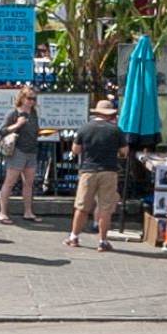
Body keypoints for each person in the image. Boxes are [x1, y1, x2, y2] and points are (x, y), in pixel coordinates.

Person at [67, 100, 127, 251]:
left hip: (88, 171)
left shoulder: (85, 128)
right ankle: (102, 241)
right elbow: (124, 152)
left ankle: (74, 237)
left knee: (82, 206)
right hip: (109, 171)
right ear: (110, 114)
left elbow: (75, 150)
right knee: (105, 208)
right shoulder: (116, 130)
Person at [0, 92, 44, 224]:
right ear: (22, 98)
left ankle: (28, 212)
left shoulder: (34, 113)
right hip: (17, 151)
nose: (31, 101)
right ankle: (2, 213)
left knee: (29, 183)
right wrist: (17, 125)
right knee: (10, 182)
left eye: (34, 99)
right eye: (29, 98)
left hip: (32, 150)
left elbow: (34, 130)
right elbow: (2, 131)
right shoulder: (13, 113)